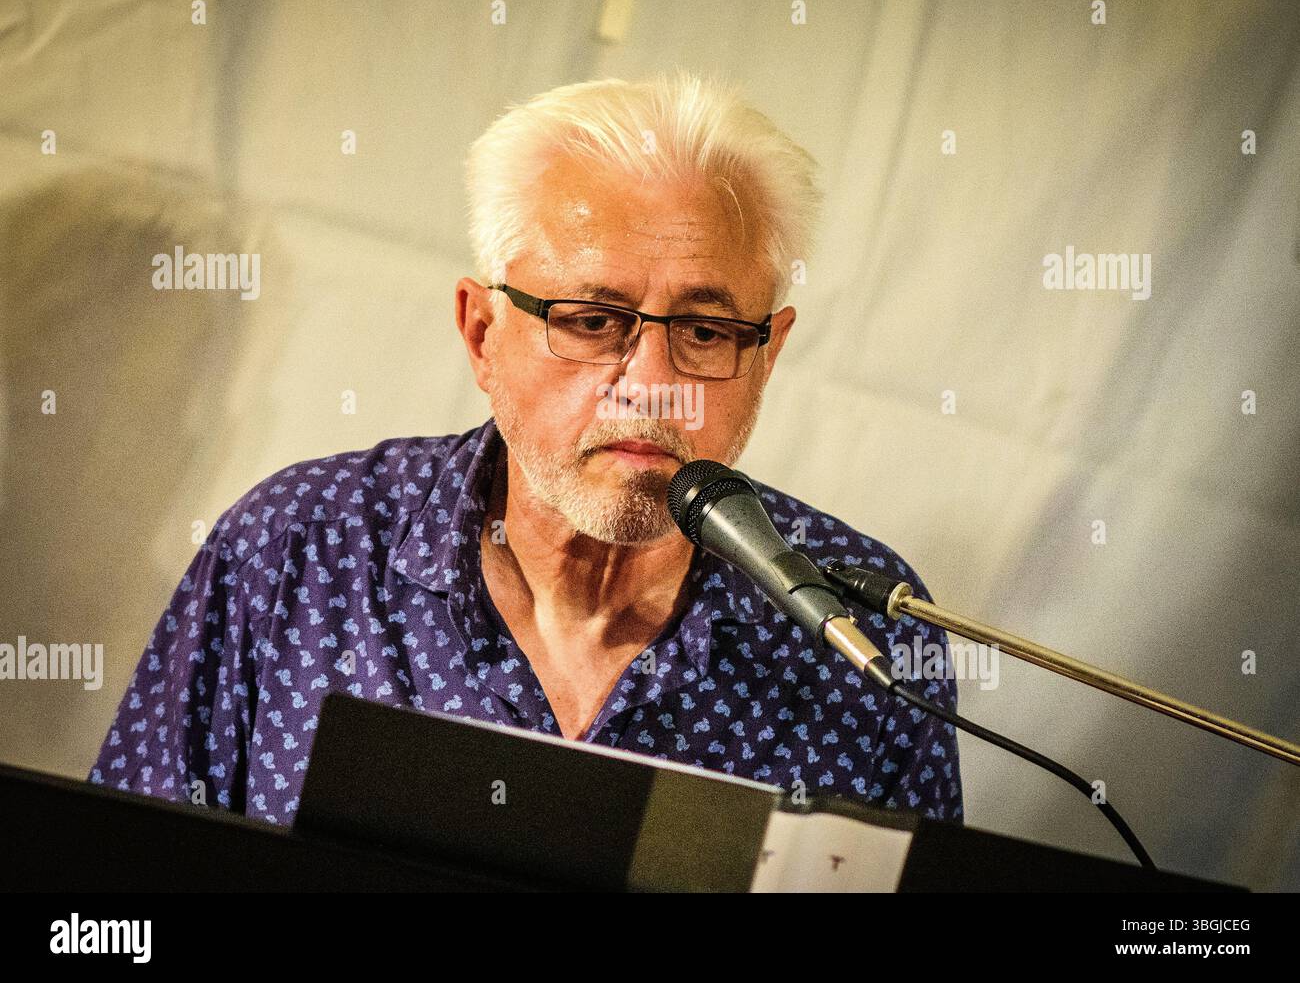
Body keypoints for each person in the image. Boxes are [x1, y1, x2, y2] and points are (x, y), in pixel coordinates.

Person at [91, 71, 963, 826]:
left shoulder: (859, 635)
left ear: (766, 354)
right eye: (592, 321)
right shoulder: (296, 555)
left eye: (702, 329)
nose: (649, 380)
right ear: (480, 333)